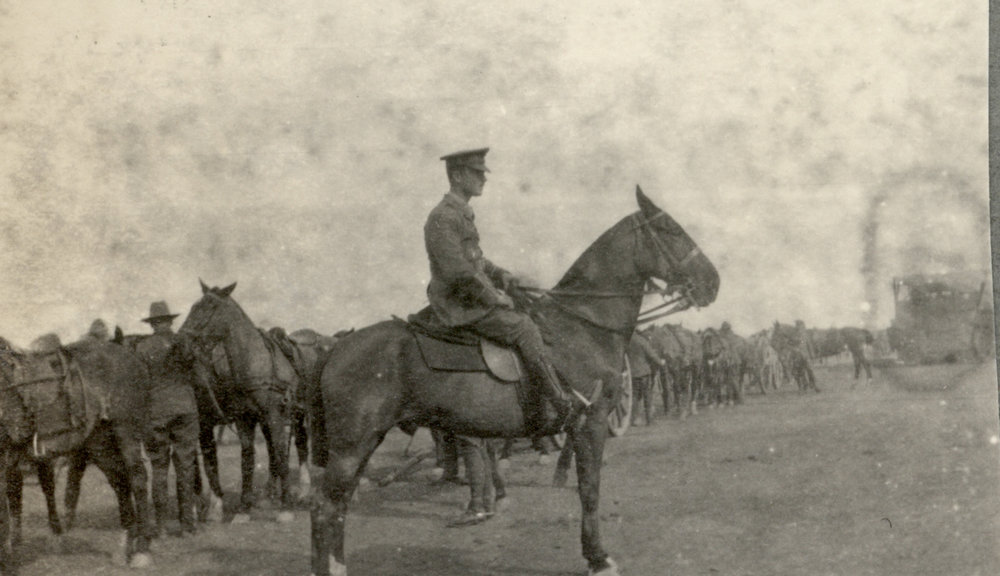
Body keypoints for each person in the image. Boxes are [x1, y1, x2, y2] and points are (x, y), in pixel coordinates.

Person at [423, 148, 573, 430]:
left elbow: (476, 261)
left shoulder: (460, 213)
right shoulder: (443, 216)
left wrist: (503, 276)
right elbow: (458, 272)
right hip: (457, 304)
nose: (484, 178)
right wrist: (494, 297)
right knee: (524, 328)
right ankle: (560, 402)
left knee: (532, 310)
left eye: (483, 173)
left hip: (468, 297)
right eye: (476, 173)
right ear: (456, 176)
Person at [133, 301, 201, 537]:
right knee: (186, 467)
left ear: (152, 324)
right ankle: (187, 525)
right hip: (185, 408)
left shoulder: (142, 348)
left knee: (159, 468)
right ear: (170, 321)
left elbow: (139, 384)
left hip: (156, 412)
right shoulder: (184, 342)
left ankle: (161, 526)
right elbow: (197, 374)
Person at [627, 330, 665, 427]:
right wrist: (661, 363)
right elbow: (652, 355)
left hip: (631, 374)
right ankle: (649, 420)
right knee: (647, 396)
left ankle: (633, 419)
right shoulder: (641, 340)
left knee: (634, 397)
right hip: (644, 373)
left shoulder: (626, 341)